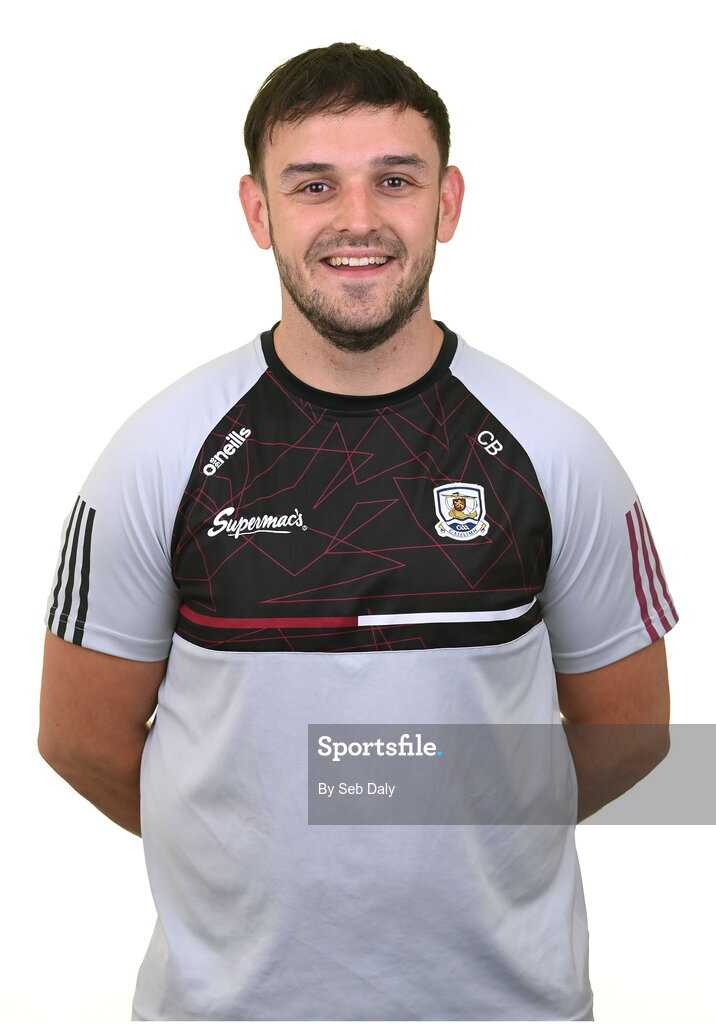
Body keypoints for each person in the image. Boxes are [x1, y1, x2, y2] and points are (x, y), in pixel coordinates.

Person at [39, 42, 677, 1021]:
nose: (357, 220)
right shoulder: (158, 455)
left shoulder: (554, 450)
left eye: (394, 180)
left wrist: (448, 816)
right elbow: (79, 738)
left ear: (446, 202)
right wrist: (249, 838)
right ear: (257, 211)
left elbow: (629, 733)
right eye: (312, 185)